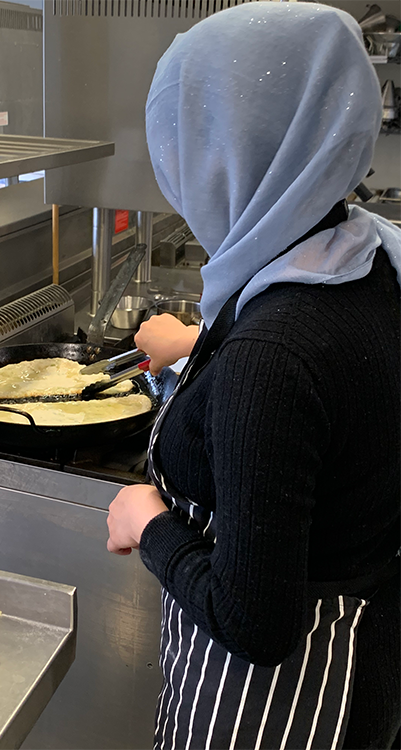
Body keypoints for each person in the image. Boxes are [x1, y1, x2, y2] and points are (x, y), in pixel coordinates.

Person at [106, 3, 401, 749]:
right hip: (367, 666)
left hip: (283, 711)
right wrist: (200, 340)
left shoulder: (270, 363)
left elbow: (253, 622)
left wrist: (148, 524)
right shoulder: (364, 255)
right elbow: (327, 375)